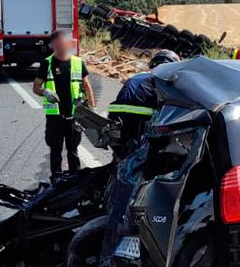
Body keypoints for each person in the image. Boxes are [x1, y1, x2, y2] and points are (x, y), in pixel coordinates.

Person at [32, 30, 96, 178]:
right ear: (53, 45)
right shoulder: (47, 63)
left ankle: (75, 177)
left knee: (73, 149)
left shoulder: (77, 62)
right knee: (55, 149)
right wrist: (45, 92)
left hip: (74, 115)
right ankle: (56, 177)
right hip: (55, 116)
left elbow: (87, 85)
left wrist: (93, 109)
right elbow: (36, 87)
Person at [106, 49, 180, 157]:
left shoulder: (137, 76)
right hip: (138, 123)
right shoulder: (161, 80)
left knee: (121, 155)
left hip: (115, 119)